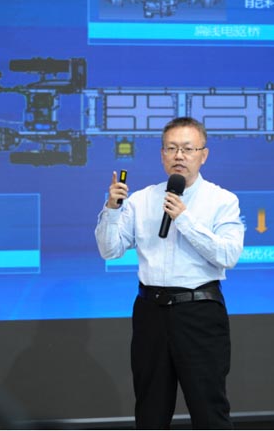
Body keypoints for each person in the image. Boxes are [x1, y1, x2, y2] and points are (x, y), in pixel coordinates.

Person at [95, 117, 245, 429]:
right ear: (162, 154)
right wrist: (112, 208)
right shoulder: (141, 200)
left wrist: (185, 219)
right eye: (172, 148)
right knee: (150, 410)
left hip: (199, 313)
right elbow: (110, 250)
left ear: (203, 155)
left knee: (209, 409)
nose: (179, 156)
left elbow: (228, 255)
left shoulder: (222, 200)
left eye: (188, 149)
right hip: (150, 312)